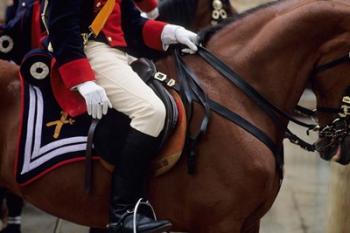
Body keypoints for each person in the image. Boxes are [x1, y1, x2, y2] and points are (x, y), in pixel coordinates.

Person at [46, 0, 198, 232]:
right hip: (90, 52)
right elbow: (62, 27)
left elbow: (132, 24)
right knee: (151, 112)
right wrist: (82, 79)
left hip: (120, 54)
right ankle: (124, 211)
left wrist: (171, 31)